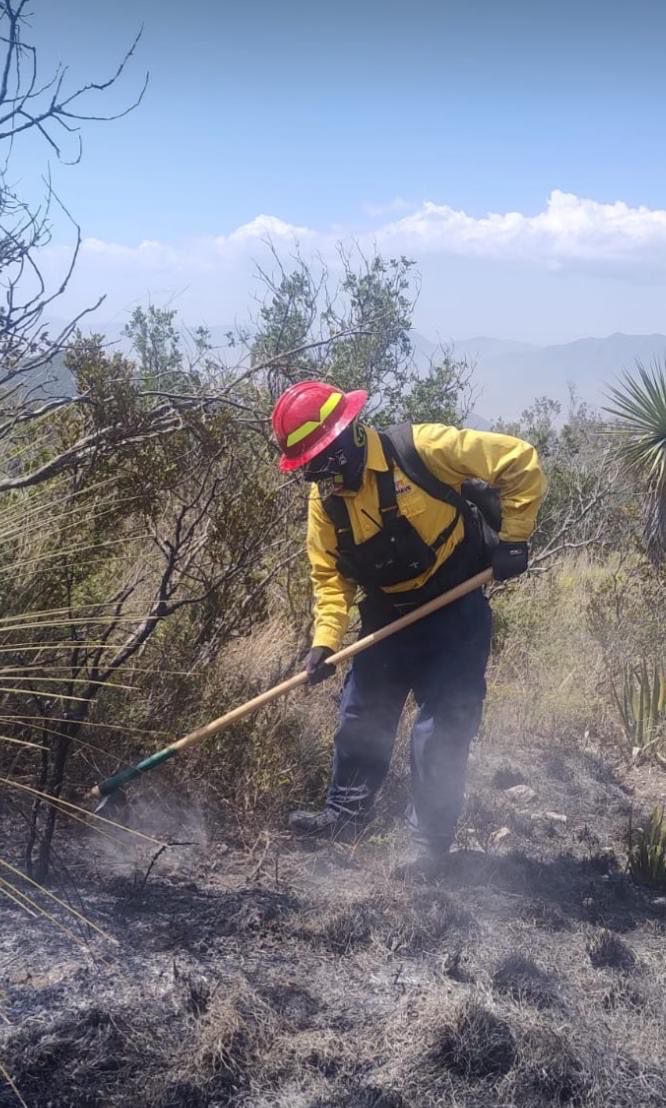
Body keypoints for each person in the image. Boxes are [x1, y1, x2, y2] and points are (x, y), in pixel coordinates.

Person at [272, 380, 546, 869]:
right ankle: (344, 818)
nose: (316, 477)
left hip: (455, 608)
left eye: (320, 461)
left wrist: (515, 541)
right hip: (387, 614)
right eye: (307, 468)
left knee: (441, 728)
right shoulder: (325, 502)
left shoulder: (421, 449)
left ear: (347, 438)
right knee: (363, 715)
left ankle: (428, 848)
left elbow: (520, 459)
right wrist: (325, 641)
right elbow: (329, 577)